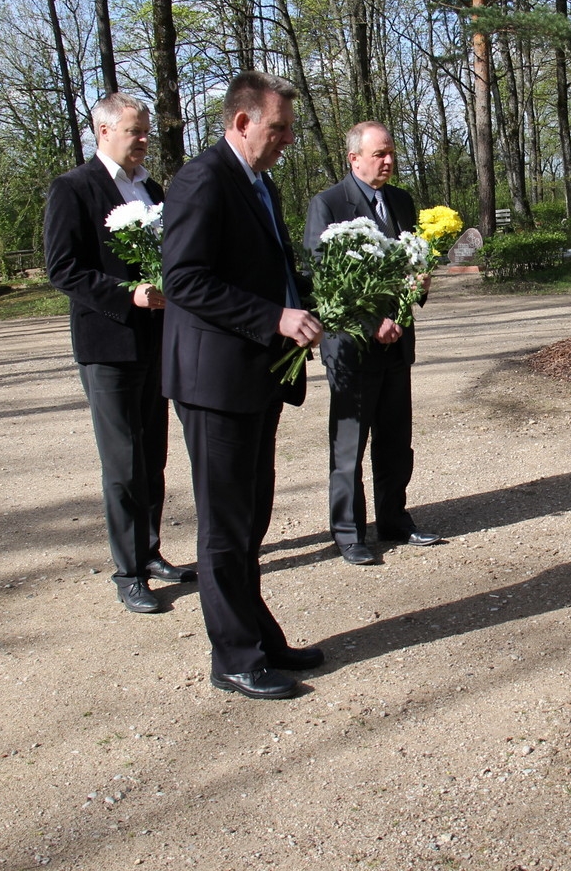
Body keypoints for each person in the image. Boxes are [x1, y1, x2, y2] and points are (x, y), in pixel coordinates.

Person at [160, 72, 325, 700]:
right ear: (242, 123)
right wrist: (274, 317)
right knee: (226, 524)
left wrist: (309, 305)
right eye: (278, 128)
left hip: (255, 373)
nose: (286, 140)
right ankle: (233, 657)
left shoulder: (260, 181)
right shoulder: (204, 180)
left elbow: (271, 267)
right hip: (214, 381)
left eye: (288, 129)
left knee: (252, 513)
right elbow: (185, 280)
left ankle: (257, 634)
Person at [44, 92, 195, 614]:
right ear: (103, 131)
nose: (146, 141)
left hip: (155, 340)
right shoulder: (73, 188)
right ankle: (128, 571)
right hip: (108, 344)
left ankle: (148, 551)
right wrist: (124, 294)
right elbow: (63, 268)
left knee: (153, 453)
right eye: (137, 132)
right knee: (123, 462)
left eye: (148, 131)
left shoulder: (149, 188)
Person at [304, 121, 442, 566]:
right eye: (379, 154)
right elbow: (323, 279)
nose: (388, 161)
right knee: (349, 444)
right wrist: (371, 322)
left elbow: (412, 259)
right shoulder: (328, 204)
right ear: (354, 158)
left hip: (396, 344)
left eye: (391, 153)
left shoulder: (401, 201)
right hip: (353, 346)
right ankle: (348, 532)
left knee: (395, 439)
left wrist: (419, 283)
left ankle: (394, 519)